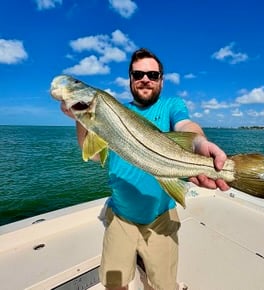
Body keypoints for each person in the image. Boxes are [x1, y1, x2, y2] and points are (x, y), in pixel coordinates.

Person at [61, 48, 229, 290]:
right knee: (113, 283)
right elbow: (95, 154)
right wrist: (81, 117)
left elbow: (185, 125)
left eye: (152, 74)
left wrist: (200, 143)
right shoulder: (113, 111)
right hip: (121, 215)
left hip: (161, 217)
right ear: (130, 78)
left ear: (161, 79)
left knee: (162, 285)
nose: (145, 80)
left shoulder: (171, 105)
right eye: (138, 74)